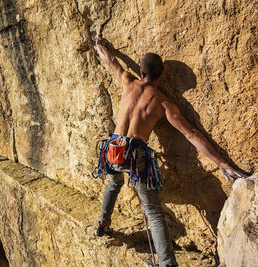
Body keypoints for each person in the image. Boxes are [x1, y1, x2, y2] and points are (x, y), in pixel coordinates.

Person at [93, 37, 246, 267]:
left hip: (113, 149)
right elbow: (191, 134)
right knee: (153, 211)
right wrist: (221, 162)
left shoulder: (127, 81)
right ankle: (166, 263)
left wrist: (98, 45)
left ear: (141, 71)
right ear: (161, 74)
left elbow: (110, 61)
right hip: (135, 155)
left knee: (113, 183)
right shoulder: (163, 102)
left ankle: (103, 223)